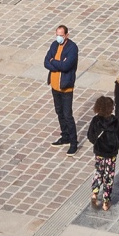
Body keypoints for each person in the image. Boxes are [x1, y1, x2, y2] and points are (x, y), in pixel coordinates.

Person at [85, 95, 119, 211]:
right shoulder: (116, 122)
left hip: (99, 152)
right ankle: (105, 202)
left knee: (98, 172)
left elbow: (90, 136)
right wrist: (115, 146)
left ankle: (94, 192)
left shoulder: (95, 120)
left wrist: (97, 143)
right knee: (108, 176)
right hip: (111, 154)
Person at [43, 25, 80, 154]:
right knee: (59, 112)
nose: (59, 37)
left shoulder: (72, 48)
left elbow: (66, 66)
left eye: (61, 35)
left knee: (68, 115)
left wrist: (54, 62)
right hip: (54, 86)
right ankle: (65, 136)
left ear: (67, 35)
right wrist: (56, 63)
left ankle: (74, 142)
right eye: (57, 34)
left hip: (66, 87)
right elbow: (46, 61)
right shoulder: (54, 45)